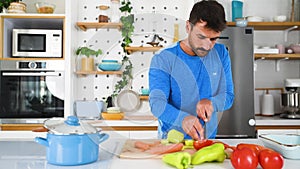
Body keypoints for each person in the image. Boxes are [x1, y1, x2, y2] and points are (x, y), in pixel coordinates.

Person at [148, 0, 234, 140]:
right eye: (201, 37)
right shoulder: (163, 58)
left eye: (213, 39)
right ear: (188, 27)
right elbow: (157, 104)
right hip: (172, 142)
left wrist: (211, 102)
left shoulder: (221, 53)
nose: (207, 46)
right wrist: (182, 119)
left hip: (207, 141)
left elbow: (228, 96)